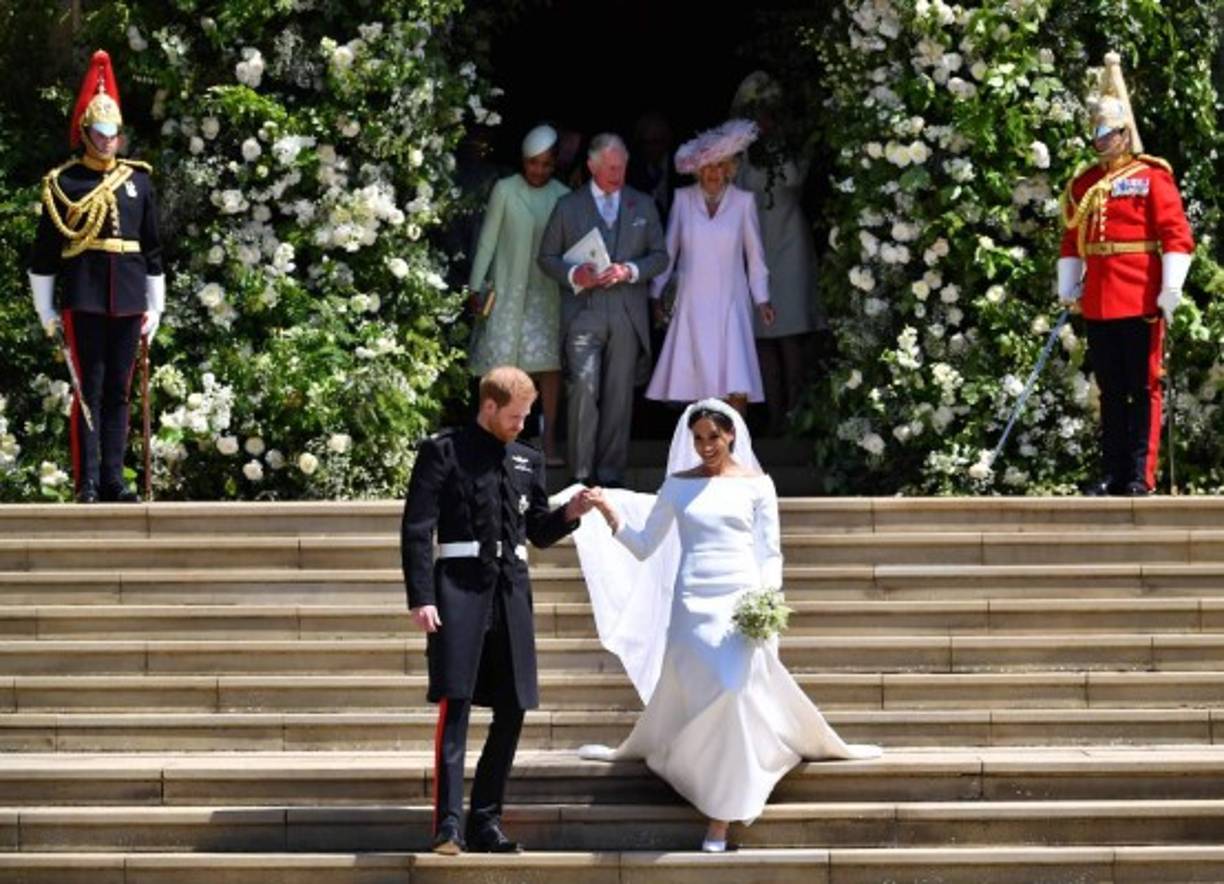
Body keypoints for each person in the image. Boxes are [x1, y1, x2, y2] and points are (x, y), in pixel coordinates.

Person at [575, 399, 880, 852]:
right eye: (698, 439)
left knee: (733, 690)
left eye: (713, 438)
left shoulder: (758, 485)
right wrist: (608, 515)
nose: (705, 447)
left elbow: (769, 550)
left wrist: (766, 602)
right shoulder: (678, 486)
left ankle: (720, 817)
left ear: (731, 434)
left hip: (741, 602)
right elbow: (643, 546)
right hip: (691, 605)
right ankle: (699, 774)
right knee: (703, 694)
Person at [400, 366, 595, 855]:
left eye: (527, 415)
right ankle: (448, 825)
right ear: (488, 406)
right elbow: (417, 528)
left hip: (512, 592)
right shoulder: (443, 451)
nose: (521, 424)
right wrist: (421, 596)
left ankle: (486, 820)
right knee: (457, 704)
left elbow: (538, 531)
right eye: (514, 415)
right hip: (458, 591)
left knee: (512, 707)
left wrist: (569, 515)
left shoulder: (527, 459)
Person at [27, 49, 165, 503]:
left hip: (128, 298)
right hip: (84, 295)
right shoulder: (65, 184)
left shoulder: (138, 181)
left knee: (119, 392)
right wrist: (44, 306)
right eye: (101, 133)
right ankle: (86, 481)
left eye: (114, 133)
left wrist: (156, 303)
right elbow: (46, 252)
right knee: (89, 388)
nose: (108, 141)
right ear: (86, 133)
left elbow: (152, 248)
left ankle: (114, 479)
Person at [1058, 53, 1194, 496]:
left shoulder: (1153, 178)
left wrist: (1171, 285)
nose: (1100, 140)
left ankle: (1141, 474)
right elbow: (1072, 239)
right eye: (1095, 132)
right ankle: (1113, 473)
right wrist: (1067, 286)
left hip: (1139, 297)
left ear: (1123, 133)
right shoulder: (1083, 184)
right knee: (1110, 391)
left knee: (1144, 387)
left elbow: (1175, 234)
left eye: (1108, 132)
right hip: (1098, 298)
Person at [538, 133, 668, 487]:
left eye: (622, 167)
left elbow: (661, 256)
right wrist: (573, 273)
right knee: (582, 388)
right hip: (584, 311)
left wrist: (630, 270)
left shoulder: (642, 204)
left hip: (627, 312)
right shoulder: (568, 205)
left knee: (619, 396)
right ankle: (580, 477)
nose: (618, 173)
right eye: (611, 167)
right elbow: (546, 258)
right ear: (592, 166)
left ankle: (610, 477)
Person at [646, 120, 776, 416]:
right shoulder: (682, 199)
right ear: (696, 169)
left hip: (733, 299)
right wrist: (656, 294)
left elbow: (755, 256)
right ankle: (701, 453)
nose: (713, 173)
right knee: (696, 378)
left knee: (736, 376)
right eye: (706, 167)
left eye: (719, 166)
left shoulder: (743, 202)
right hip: (692, 300)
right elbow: (669, 251)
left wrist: (762, 299)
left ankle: (736, 450)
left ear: (729, 168)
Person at [468, 124, 570, 464]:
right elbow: (488, 240)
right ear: (523, 161)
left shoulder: (562, 194)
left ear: (555, 163)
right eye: (532, 163)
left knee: (549, 366)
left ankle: (549, 439)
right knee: (497, 367)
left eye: (545, 164)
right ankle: (489, 438)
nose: (538, 170)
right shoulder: (505, 189)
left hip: (546, 293)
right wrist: (475, 285)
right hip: (506, 289)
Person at [732, 72, 826, 434]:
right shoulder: (741, 155)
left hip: (789, 245)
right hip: (756, 247)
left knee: (790, 335)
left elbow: (794, 181)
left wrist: (779, 141)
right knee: (762, 340)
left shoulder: (789, 148)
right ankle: (772, 416)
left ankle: (796, 413)